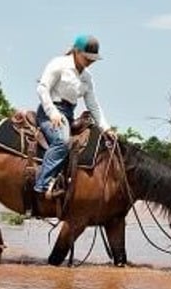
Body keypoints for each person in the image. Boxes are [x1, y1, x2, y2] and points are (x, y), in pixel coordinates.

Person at [34, 34, 112, 199]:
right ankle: (41, 184)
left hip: (69, 114)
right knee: (62, 141)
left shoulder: (87, 77)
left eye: (93, 59)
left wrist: (106, 127)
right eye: (87, 57)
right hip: (50, 112)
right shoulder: (58, 64)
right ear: (76, 51)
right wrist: (52, 112)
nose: (91, 61)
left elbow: (93, 105)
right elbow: (42, 88)